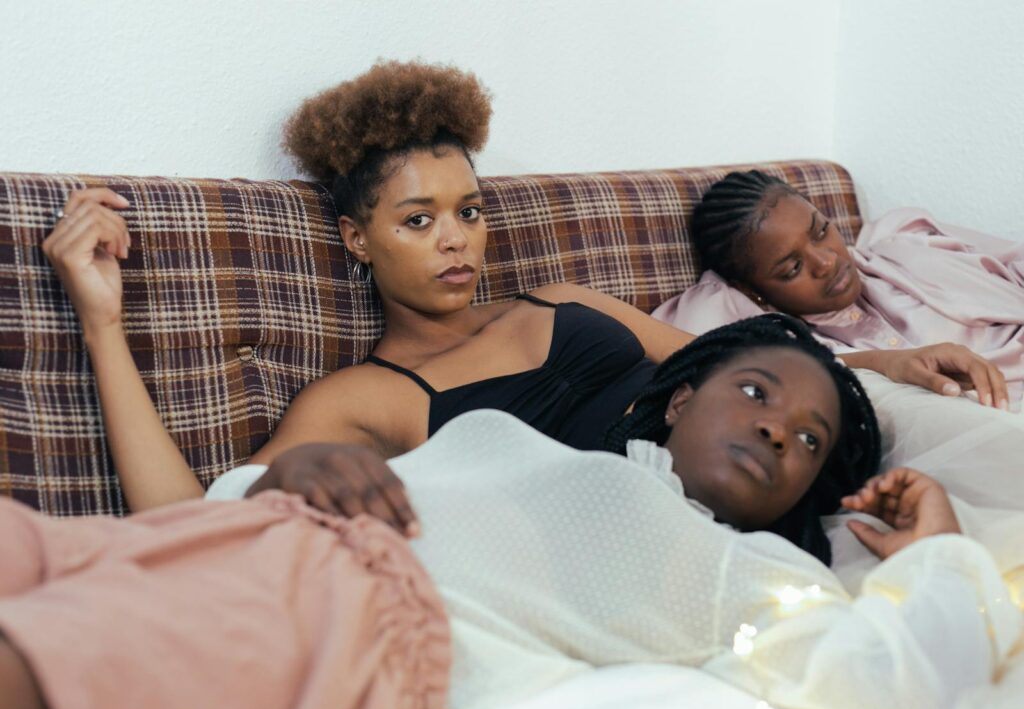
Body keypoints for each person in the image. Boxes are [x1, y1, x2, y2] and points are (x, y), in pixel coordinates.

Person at [39, 62, 1010, 530]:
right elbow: (193, 514)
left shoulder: (559, 298)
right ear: (355, 239)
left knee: (980, 442)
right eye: (418, 221)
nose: (456, 239)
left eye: (466, 210)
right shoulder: (362, 397)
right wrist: (101, 321)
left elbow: (722, 374)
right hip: (644, 539)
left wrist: (876, 365)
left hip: (778, 463)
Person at [2, 316, 1019, 709]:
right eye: (756, 390)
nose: (774, 430)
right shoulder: (514, 441)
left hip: (346, 608)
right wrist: (284, 472)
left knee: (39, 664)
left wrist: (937, 551)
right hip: (213, 539)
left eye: (805, 442)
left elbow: (891, 675)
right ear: (677, 398)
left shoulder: (734, 569)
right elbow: (230, 495)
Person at [653, 169, 1022, 409]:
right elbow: (687, 348)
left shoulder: (908, 245)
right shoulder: (786, 344)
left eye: (821, 231)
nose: (827, 261)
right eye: (792, 267)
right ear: (752, 291)